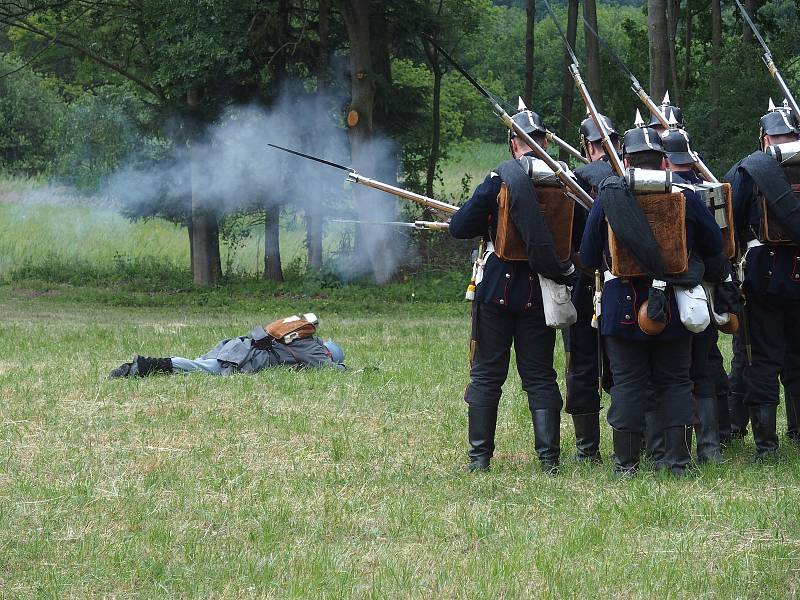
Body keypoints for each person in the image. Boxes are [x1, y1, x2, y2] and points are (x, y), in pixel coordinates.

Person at [579, 116, 723, 476]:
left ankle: (626, 466)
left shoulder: (609, 196)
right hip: (674, 303)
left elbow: (587, 253)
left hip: (621, 303)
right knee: (675, 380)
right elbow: (714, 244)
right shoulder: (686, 195)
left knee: (628, 382)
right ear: (662, 160)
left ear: (626, 160)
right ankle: (677, 462)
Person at [449, 106, 576, 474]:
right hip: (540, 289)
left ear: (513, 146)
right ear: (545, 143)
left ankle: (479, 460)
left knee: (488, 373)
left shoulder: (500, 179)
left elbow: (460, 226)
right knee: (539, 374)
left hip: (497, 290)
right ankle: (548, 460)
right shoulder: (565, 180)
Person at [728, 99, 800, 459]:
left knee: (765, 359)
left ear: (765, 138)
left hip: (764, 276)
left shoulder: (751, 169)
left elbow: (733, 220)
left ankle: (767, 445)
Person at [563, 114, 620, 463]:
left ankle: (588, 451)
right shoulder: (626, 179)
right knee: (623, 365)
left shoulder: (572, 181)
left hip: (583, 283)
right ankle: (631, 441)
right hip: (618, 285)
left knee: (581, 363)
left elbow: (564, 241)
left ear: (586, 146)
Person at [109, 316, 345, 377]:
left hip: (237, 346)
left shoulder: (296, 337)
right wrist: (345, 368)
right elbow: (328, 369)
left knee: (198, 366)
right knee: (198, 368)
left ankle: (145, 367)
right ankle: (144, 366)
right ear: (328, 352)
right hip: (244, 357)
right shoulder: (314, 349)